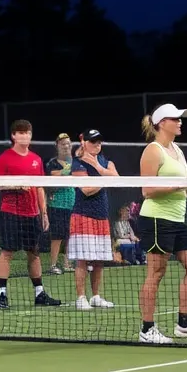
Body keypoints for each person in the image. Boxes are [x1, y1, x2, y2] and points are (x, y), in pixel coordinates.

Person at [136, 104, 187, 344]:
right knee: (156, 273)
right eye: (175, 119)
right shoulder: (153, 150)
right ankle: (147, 329)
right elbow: (147, 190)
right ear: (161, 123)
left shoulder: (177, 149)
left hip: (177, 219)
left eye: (180, 119)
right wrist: (179, 185)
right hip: (157, 219)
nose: (180, 122)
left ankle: (184, 324)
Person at [0, 120, 57, 309]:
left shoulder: (36, 159)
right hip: (10, 212)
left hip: (32, 214)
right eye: (20, 133)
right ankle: (2, 295)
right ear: (14, 136)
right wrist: (15, 186)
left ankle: (39, 294)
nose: (25, 136)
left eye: (27, 133)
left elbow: (39, 187)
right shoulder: (5, 158)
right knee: (7, 252)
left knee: (34, 253)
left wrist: (43, 212)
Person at [68, 130, 117, 311]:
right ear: (85, 143)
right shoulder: (78, 163)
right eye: (93, 141)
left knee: (99, 260)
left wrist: (100, 169)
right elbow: (87, 189)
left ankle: (95, 296)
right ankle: (81, 298)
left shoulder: (106, 161)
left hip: (101, 216)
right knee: (82, 259)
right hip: (83, 215)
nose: (97, 145)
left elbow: (118, 179)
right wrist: (106, 178)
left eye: (99, 142)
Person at [44, 133, 76, 275]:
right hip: (57, 204)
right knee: (57, 236)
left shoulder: (76, 162)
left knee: (70, 235)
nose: (66, 146)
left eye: (68, 143)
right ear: (57, 146)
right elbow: (53, 175)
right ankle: (53, 265)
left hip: (72, 204)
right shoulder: (52, 163)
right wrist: (68, 169)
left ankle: (67, 264)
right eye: (63, 144)